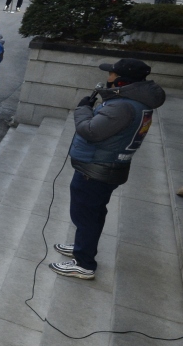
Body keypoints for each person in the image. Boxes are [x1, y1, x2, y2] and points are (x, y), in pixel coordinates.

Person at [53, 59, 165, 279]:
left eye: (112, 74)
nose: (108, 77)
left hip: (97, 169)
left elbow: (91, 131)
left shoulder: (123, 106)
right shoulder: (135, 102)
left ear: (123, 80)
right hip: (108, 165)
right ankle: (81, 247)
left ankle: (84, 263)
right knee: (93, 213)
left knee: (85, 214)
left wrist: (83, 109)